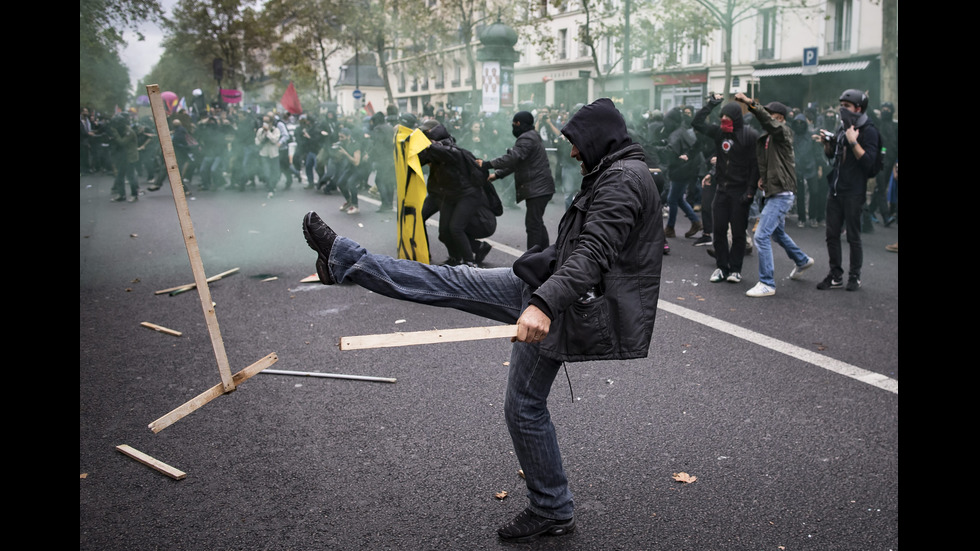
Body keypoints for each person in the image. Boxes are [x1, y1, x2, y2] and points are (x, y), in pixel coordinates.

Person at [301, 97, 663, 543]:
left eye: (574, 143)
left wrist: (544, 304)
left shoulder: (624, 179)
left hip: (566, 305)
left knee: (524, 408)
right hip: (547, 287)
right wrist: (539, 270)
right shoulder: (612, 170)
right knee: (452, 279)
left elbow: (593, 254)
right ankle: (343, 259)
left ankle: (552, 509)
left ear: (596, 139)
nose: (570, 152)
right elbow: (577, 246)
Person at [734, 94, 815, 297]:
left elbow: (768, 122)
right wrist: (763, 178)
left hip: (781, 193)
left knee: (761, 235)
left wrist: (751, 104)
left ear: (779, 118)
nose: (766, 118)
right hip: (774, 190)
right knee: (777, 233)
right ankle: (802, 260)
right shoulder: (770, 136)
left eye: (770, 114)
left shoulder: (783, 131)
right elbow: (771, 163)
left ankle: (767, 283)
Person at [814, 88, 880, 291]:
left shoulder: (869, 130)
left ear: (858, 108)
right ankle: (835, 275)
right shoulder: (842, 128)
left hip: (854, 191)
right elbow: (834, 158)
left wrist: (853, 141)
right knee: (831, 234)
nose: (842, 110)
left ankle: (854, 276)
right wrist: (827, 144)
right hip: (835, 189)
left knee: (853, 236)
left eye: (847, 107)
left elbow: (869, 162)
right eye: (841, 106)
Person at [693, 93, 760, 284]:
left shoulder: (749, 136)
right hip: (721, 190)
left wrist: (750, 191)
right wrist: (711, 104)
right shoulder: (719, 133)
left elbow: (755, 166)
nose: (724, 120)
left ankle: (735, 269)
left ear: (736, 118)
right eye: (722, 116)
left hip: (740, 192)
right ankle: (721, 267)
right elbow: (697, 123)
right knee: (719, 230)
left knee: (738, 232)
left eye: (728, 117)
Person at [416, 119, 498, 266]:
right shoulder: (434, 149)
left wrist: (427, 145)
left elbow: (443, 152)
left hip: (466, 194)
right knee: (444, 232)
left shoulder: (449, 149)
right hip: (448, 194)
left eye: (427, 133)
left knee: (456, 228)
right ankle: (455, 257)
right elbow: (419, 159)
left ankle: (469, 262)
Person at [483, 111, 556, 250]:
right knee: (537, 222)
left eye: (515, 123)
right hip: (541, 187)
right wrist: (497, 175)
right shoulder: (532, 136)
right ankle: (546, 253)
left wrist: (488, 164)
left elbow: (513, 158)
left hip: (538, 188)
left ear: (520, 123)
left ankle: (532, 259)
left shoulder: (526, 138)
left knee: (533, 225)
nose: (514, 126)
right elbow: (518, 163)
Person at [656, 107, 703, 240]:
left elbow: (670, 152)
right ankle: (695, 222)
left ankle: (670, 227)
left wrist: (657, 149)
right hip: (687, 168)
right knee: (678, 199)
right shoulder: (681, 130)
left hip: (681, 169)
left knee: (672, 199)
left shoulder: (676, 134)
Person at [107, 113, 140, 202]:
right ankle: (121, 195)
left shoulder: (129, 131)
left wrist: (115, 133)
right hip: (123, 157)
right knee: (119, 176)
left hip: (130, 157)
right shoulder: (122, 131)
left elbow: (122, 143)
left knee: (131, 176)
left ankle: (134, 195)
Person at [255, 114, 281, 197]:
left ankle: (272, 185)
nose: (265, 123)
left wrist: (268, 132)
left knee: (275, 172)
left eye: (267, 121)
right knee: (267, 172)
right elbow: (258, 141)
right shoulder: (260, 130)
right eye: (264, 121)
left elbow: (274, 140)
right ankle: (270, 189)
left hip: (274, 154)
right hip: (264, 153)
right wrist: (263, 133)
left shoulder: (275, 130)